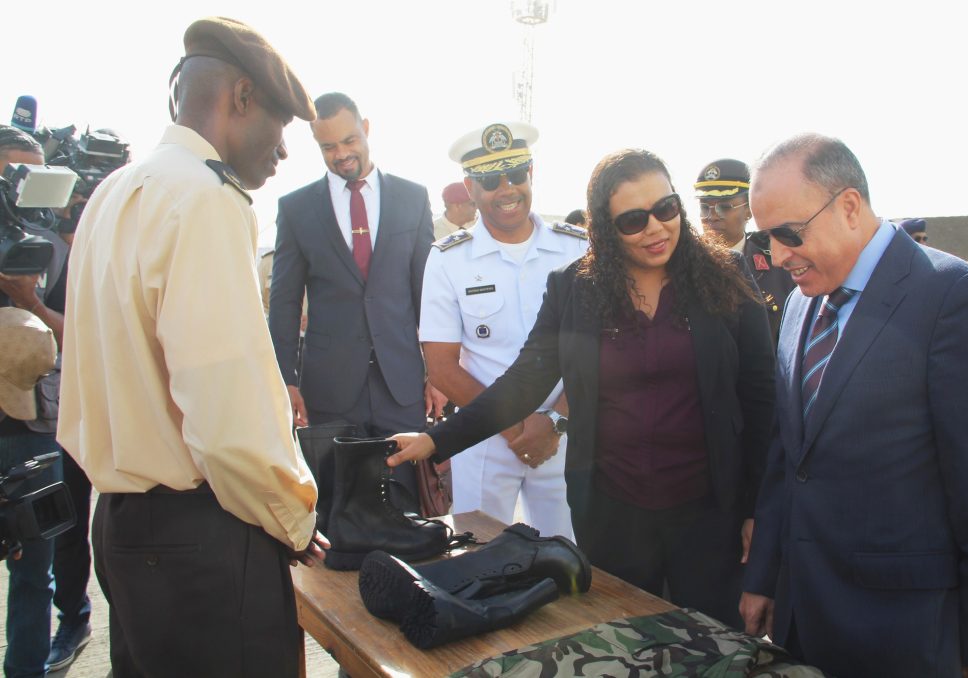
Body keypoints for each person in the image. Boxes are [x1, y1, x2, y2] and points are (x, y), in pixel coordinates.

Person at [391, 149, 775, 628]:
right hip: (615, 516)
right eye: (634, 220)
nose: (656, 228)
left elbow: (762, 403)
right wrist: (435, 440)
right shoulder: (576, 289)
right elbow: (524, 381)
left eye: (666, 209)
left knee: (710, 647)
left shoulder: (726, 278)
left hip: (710, 515)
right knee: (624, 645)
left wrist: (761, 511)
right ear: (605, 228)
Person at [57, 17, 326, 678]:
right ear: (239, 98)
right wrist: (291, 516)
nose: (283, 151)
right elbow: (225, 413)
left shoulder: (114, 193)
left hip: (121, 527)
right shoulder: (206, 198)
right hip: (204, 538)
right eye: (281, 123)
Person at [739, 133, 968, 678]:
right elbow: (787, 454)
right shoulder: (800, 304)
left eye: (788, 233)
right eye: (764, 236)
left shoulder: (953, 298)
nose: (775, 256)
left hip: (907, 637)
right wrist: (765, 578)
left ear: (848, 206)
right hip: (803, 621)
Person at [269, 91, 442, 504]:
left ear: (365, 129)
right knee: (338, 506)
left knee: (404, 505)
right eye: (328, 147)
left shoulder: (411, 198)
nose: (341, 154)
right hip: (328, 388)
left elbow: (429, 294)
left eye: (349, 141)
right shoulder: (296, 209)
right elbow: (285, 302)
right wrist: (285, 379)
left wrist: (439, 371)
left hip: (401, 383)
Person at [420, 121, 588, 538]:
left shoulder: (578, 248)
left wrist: (554, 422)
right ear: (470, 187)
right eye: (491, 180)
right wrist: (515, 429)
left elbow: (599, 350)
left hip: (566, 435)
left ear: (531, 173)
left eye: (515, 174)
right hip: (486, 442)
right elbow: (441, 368)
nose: (507, 189)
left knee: (571, 560)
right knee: (479, 559)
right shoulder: (447, 260)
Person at [0, 125, 65, 678]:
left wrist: (33, 303)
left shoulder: (61, 245)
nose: (24, 188)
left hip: (36, 427)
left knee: (33, 570)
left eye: (36, 177)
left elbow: (84, 335)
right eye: (13, 175)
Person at [695, 158, 794, 344]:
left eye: (724, 207)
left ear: (749, 210)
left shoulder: (779, 265)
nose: (712, 216)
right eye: (704, 207)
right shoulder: (683, 266)